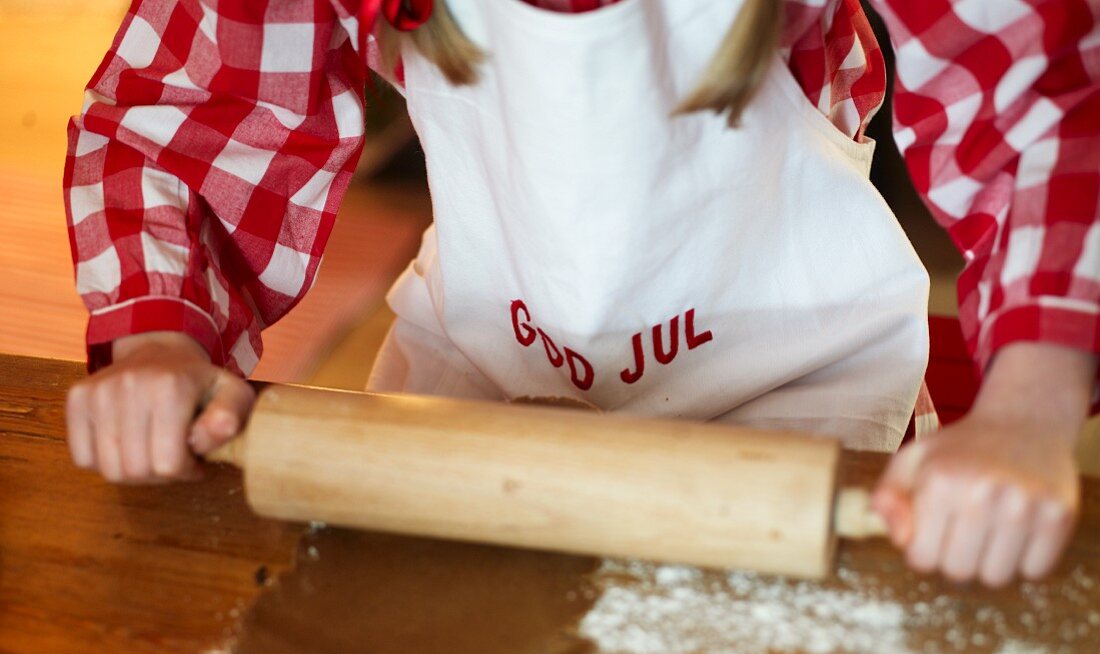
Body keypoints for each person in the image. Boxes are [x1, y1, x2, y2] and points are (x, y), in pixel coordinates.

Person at [64, 0, 1099, 587]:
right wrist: (163, 334)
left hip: (798, 404)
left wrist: (1026, 410)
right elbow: (191, 110)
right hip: (471, 391)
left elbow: (1045, 100)